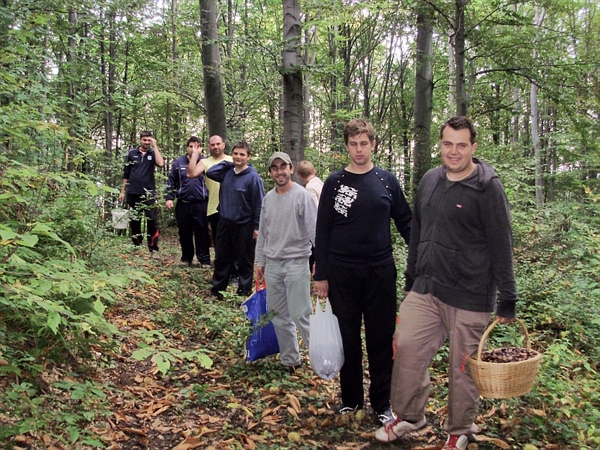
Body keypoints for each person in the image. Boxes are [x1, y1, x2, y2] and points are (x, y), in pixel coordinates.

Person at [375, 116, 518, 450]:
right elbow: (419, 235)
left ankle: (460, 429)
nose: (454, 151)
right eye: (448, 143)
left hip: (470, 293)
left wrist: (507, 298)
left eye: (461, 145)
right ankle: (410, 416)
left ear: (473, 147)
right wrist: (411, 281)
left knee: (463, 367)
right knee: (407, 347)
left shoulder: (487, 187)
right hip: (426, 287)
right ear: (440, 144)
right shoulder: (429, 181)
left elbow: (501, 242)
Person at [313, 118, 412, 426]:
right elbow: (324, 230)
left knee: (381, 340)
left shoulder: (386, 181)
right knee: (348, 338)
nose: (359, 150)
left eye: (364, 143)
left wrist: (424, 256)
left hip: (380, 272)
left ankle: (383, 403)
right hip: (342, 273)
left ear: (373, 145)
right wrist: (321, 275)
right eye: (353, 144)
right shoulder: (335, 183)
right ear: (346, 146)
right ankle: (351, 400)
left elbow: (406, 222)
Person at [255, 152, 317, 373]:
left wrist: (319, 262)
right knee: (279, 315)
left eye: (284, 167)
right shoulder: (268, 199)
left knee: (302, 314)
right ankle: (291, 359)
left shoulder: (303, 196)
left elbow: (315, 231)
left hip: (297, 262)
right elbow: (263, 233)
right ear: (270, 172)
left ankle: (320, 359)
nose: (279, 171)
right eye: (275, 168)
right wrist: (259, 262)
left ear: (291, 169)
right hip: (273, 264)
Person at [204, 141, 264, 298]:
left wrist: (257, 227)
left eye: (242, 154)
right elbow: (210, 173)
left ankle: (243, 293)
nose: (238, 157)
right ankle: (217, 291)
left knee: (245, 260)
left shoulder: (253, 177)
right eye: (235, 154)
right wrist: (226, 163)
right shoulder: (227, 172)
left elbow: (259, 204)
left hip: (246, 225)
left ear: (248, 157)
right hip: (225, 221)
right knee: (222, 258)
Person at [165, 136, 211, 267]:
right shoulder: (179, 163)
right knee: (184, 231)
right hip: (183, 203)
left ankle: (204, 259)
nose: (193, 149)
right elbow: (171, 181)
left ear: (200, 148)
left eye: (196, 146)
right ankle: (186, 258)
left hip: (201, 203)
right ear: (187, 148)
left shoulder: (206, 162)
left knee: (202, 231)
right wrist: (169, 198)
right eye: (190, 146)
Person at [118, 130, 164, 257]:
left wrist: (155, 146)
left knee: (152, 220)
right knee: (135, 220)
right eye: (145, 140)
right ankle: (136, 246)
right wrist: (122, 192)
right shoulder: (132, 153)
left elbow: (161, 163)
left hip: (149, 193)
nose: (147, 142)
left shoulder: (153, 153)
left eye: (149, 140)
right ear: (140, 140)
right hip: (133, 191)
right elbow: (126, 174)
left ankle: (153, 249)